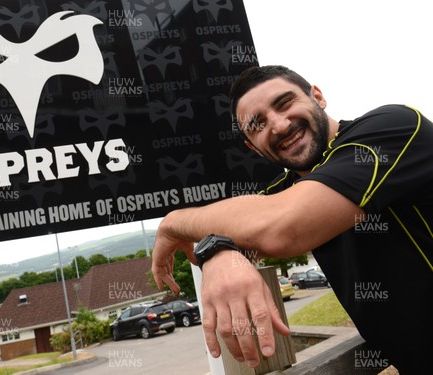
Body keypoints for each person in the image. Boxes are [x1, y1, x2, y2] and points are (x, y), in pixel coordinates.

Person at [151, 65, 432, 374]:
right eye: (257, 125)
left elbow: (279, 228)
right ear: (251, 146)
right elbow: (246, 224)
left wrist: (174, 220)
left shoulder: (392, 129)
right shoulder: (283, 193)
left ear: (317, 96)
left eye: (285, 103)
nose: (280, 125)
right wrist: (218, 255)